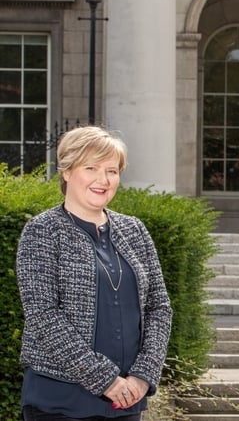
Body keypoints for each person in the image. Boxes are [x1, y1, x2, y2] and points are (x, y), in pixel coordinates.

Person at [16, 126, 173, 420]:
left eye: (112, 171)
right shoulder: (42, 231)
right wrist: (107, 380)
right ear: (66, 171)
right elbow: (42, 315)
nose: (103, 180)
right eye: (91, 168)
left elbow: (159, 308)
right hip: (59, 401)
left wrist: (142, 375)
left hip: (126, 401)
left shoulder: (134, 230)